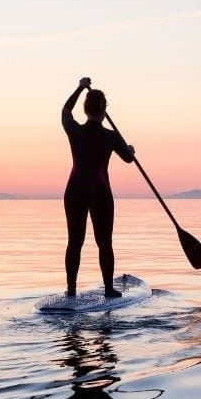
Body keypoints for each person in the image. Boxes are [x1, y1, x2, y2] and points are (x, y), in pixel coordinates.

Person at [62, 77, 134, 297]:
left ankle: (71, 290)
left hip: (74, 191)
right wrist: (130, 148)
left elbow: (65, 111)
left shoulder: (74, 130)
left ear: (85, 109)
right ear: (103, 111)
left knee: (75, 242)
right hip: (100, 193)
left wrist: (79, 88)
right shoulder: (111, 136)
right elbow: (129, 158)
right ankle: (109, 289)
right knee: (104, 242)